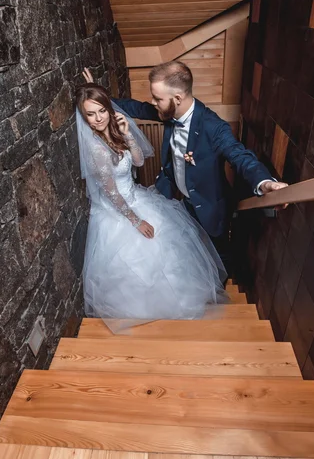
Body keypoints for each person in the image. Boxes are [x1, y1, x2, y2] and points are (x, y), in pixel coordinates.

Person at [83, 62, 287, 273]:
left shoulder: (213, 127)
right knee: (182, 249)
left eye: (158, 99)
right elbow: (137, 107)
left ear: (178, 98)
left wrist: (264, 183)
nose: (153, 103)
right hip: (175, 198)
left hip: (210, 205)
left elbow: (240, 155)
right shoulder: (167, 111)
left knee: (219, 253)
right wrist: (100, 99)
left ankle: (219, 287)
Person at [75, 83, 228, 333]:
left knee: (168, 247)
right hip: (119, 211)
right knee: (141, 256)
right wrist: (136, 222)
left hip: (136, 197)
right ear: (84, 117)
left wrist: (127, 134)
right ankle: (151, 309)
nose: (98, 118)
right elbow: (112, 195)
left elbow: (136, 160)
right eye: (90, 114)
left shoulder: (113, 131)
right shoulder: (96, 150)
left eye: (101, 110)